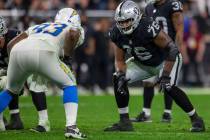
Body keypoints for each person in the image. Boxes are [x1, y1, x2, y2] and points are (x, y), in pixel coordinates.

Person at [104, 0, 205, 132]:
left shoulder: (146, 27)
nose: (124, 25)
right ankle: (124, 122)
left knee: (168, 86)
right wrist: (122, 74)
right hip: (143, 63)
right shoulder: (116, 32)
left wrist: (165, 75)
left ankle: (196, 119)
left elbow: (172, 49)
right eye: (121, 22)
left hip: (166, 59)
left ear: (135, 18)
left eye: (127, 21)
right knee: (118, 78)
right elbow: (119, 60)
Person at [0, 8, 86, 139]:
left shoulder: (40, 26)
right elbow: (73, 34)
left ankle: (44, 123)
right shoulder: (73, 27)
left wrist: (14, 67)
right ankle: (71, 128)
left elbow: (11, 44)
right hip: (44, 50)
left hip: (18, 50)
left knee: (10, 90)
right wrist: (67, 57)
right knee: (70, 83)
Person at [131, 0, 184, 123]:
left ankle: (167, 113)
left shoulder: (173, 5)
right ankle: (146, 113)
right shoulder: (149, 7)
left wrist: (175, 50)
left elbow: (179, 30)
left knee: (167, 83)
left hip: (168, 49)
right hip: (154, 51)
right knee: (148, 81)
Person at [0, 16, 51, 132]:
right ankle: (14, 118)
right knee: (6, 82)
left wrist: (20, 79)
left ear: (4, 34)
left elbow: (31, 59)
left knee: (33, 80)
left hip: (31, 66)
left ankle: (44, 122)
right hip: (10, 69)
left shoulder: (16, 38)